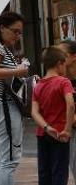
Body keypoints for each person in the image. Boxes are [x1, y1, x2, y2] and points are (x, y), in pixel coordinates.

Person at [0, 11, 29, 185]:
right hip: (5, 107)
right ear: (2, 28)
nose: (18, 36)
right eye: (15, 31)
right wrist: (17, 71)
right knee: (9, 160)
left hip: (3, 106)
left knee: (5, 159)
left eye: (20, 32)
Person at [31, 46, 73, 185]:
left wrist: (46, 127)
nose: (65, 69)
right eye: (65, 66)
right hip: (60, 134)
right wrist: (67, 129)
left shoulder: (38, 85)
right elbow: (70, 104)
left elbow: (34, 112)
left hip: (43, 134)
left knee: (44, 172)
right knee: (59, 172)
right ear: (59, 64)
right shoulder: (63, 82)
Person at [58, 39, 76, 181]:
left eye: (61, 54)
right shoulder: (61, 81)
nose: (57, 58)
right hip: (69, 133)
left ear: (73, 56)